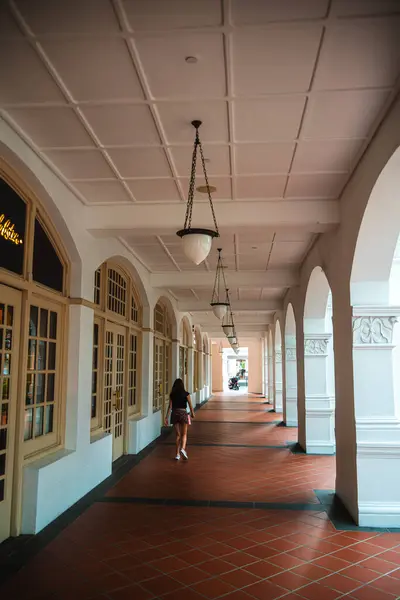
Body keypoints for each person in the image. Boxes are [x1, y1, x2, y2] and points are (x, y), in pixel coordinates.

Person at [165, 378, 195, 461]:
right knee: (184, 434)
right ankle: (183, 448)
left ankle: (177, 454)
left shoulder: (172, 395)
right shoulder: (186, 394)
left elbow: (170, 407)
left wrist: (166, 417)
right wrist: (192, 413)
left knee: (177, 435)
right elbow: (190, 405)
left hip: (174, 413)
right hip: (183, 413)